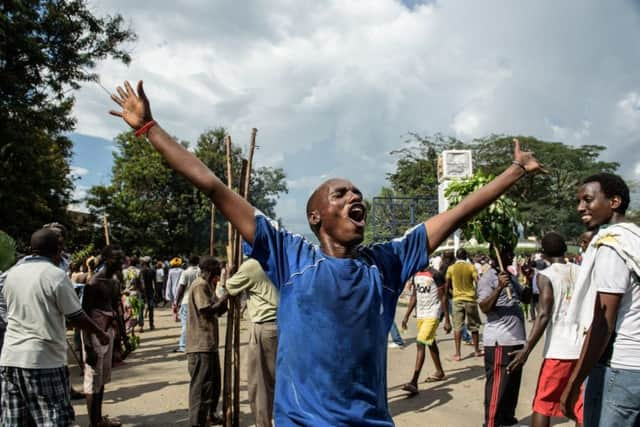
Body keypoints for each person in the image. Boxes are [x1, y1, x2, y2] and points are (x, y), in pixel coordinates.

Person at [108, 80, 542, 425]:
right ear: (315, 217)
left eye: (357, 192)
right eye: (341, 193)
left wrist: (515, 170)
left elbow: (459, 211)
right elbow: (212, 185)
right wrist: (150, 129)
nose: (356, 196)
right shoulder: (290, 256)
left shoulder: (386, 264)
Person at [0, 229, 110, 426]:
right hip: (44, 359)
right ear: (58, 250)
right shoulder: (55, 275)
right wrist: (100, 333)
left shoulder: (11, 275)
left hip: (10, 359)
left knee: (15, 420)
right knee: (54, 419)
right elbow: (76, 316)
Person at [560, 173, 640, 426]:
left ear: (614, 202)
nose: (580, 207)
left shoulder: (612, 247)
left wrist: (573, 383)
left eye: (588, 200)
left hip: (620, 369)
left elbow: (604, 321)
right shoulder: (634, 240)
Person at [506, 233, 583, 427]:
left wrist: (526, 349)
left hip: (559, 350)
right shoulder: (582, 271)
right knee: (581, 406)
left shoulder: (546, 276)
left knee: (543, 404)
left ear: (544, 254)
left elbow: (543, 314)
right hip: (583, 348)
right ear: (565, 248)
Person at [223, 258, 279, 427]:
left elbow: (229, 287)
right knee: (275, 378)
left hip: (265, 325)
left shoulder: (252, 265)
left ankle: (263, 424)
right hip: (280, 323)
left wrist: (227, 272)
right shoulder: (276, 259)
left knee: (260, 381)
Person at [477, 246, 527, 427]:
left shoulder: (511, 277)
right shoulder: (487, 278)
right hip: (500, 341)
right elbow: (484, 307)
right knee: (497, 386)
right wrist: (499, 287)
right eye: (507, 252)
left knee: (512, 386)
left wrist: (529, 278)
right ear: (494, 256)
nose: (511, 255)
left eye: (511, 252)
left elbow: (526, 298)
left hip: (517, 339)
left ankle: (507, 421)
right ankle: (491, 423)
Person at [82, 244, 124, 427]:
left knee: (102, 380)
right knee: (92, 381)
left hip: (109, 333)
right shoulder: (93, 283)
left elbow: (116, 309)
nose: (121, 263)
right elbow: (83, 316)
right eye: (118, 259)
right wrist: (88, 346)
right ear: (107, 260)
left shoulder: (114, 282)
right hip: (95, 336)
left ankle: (99, 420)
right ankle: (93, 422)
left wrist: (121, 338)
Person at [185, 256, 226, 426]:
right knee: (200, 387)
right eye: (216, 275)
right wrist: (226, 296)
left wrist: (225, 297)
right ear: (208, 272)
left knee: (213, 384)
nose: (217, 278)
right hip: (199, 345)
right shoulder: (200, 285)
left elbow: (218, 310)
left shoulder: (208, 286)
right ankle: (197, 422)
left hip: (208, 344)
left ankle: (210, 415)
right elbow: (207, 310)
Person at [400, 266, 450, 395]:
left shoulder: (436, 274)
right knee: (430, 341)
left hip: (433, 314)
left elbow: (443, 297)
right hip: (420, 314)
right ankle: (439, 372)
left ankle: (414, 382)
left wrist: (447, 320)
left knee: (420, 342)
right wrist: (406, 316)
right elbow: (414, 296)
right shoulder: (415, 274)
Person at [446, 248, 482, 360]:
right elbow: (478, 282)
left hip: (457, 299)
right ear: (466, 256)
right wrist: (476, 294)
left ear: (456, 256)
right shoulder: (471, 267)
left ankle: (458, 353)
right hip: (470, 299)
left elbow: (447, 285)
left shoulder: (451, 268)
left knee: (457, 327)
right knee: (474, 326)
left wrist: (453, 293)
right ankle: (476, 350)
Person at [175, 256, 200, 353]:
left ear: (189, 262)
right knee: (196, 323)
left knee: (185, 324)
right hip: (198, 301)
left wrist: (177, 302)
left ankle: (183, 345)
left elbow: (181, 287)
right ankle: (195, 343)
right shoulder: (200, 272)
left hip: (186, 301)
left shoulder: (185, 273)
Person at [140, 259, 156, 331]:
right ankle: (151, 325)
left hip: (142, 292)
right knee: (151, 309)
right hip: (150, 292)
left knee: (141, 309)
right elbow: (154, 283)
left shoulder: (141, 271)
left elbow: (141, 282)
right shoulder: (152, 271)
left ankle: (141, 326)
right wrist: (155, 292)